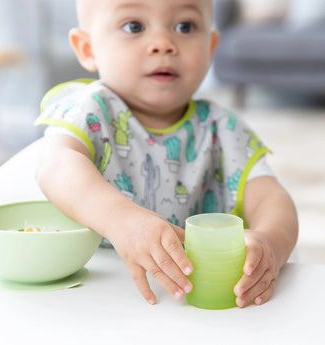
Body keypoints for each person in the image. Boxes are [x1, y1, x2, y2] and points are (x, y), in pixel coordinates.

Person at [35, 0, 298, 307]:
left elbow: (272, 198)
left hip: (197, 294)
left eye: (184, 26)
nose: (163, 44)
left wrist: (271, 244)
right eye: (134, 26)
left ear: (211, 46)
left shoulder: (223, 129)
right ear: (87, 48)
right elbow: (56, 167)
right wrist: (121, 220)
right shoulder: (88, 111)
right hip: (99, 292)